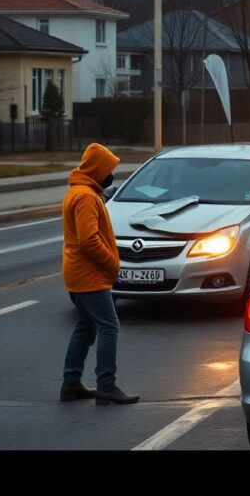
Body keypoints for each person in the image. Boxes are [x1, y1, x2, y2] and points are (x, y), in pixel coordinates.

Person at [60, 143, 139, 406]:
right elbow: (88, 240)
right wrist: (111, 264)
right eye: (109, 169)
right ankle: (106, 385)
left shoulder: (79, 191)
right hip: (89, 274)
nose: (112, 175)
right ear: (98, 170)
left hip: (79, 271)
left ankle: (71, 384)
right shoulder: (85, 197)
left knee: (85, 326)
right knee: (109, 326)